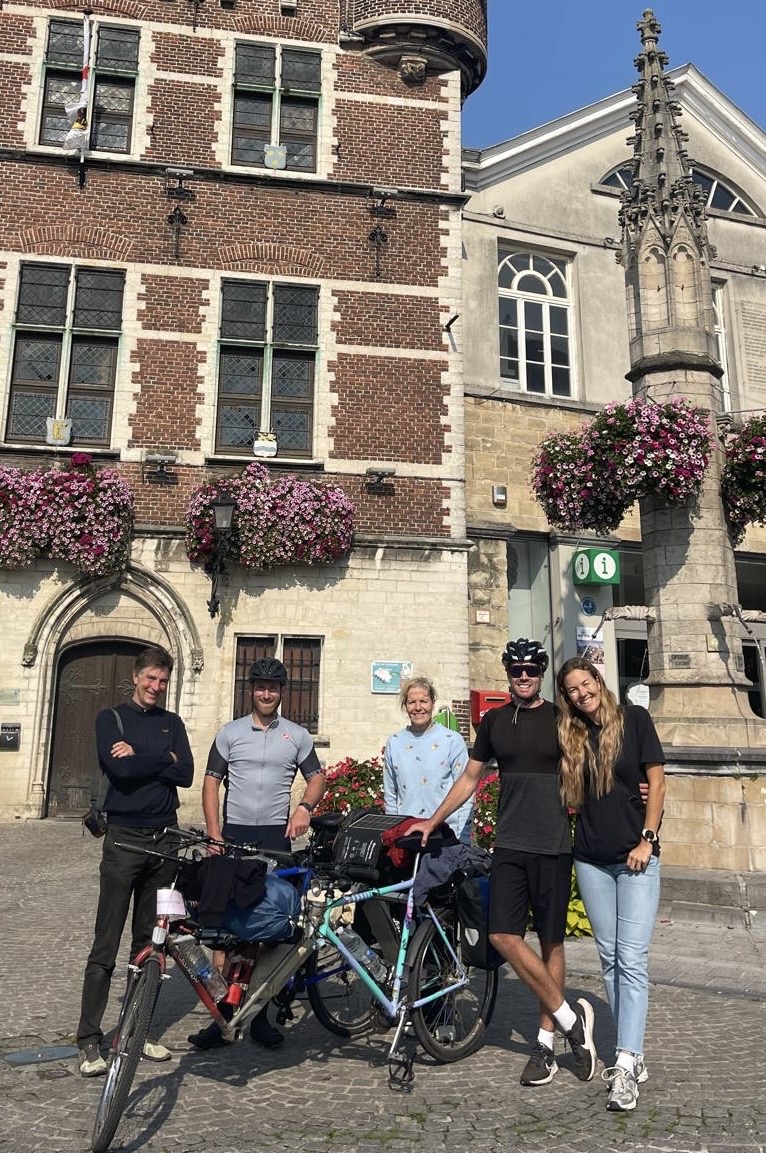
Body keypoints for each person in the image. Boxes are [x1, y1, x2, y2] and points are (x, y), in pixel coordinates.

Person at [410, 638, 596, 1087]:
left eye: (532, 670)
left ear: (541, 673)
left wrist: (641, 794)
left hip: (553, 844)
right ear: (508, 674)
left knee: (552, 942)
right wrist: (432, 821)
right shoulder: (493, 721)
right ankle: (573, 1021)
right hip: (510, 845)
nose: (524, 676)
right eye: (517, 671)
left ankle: (546, 1045)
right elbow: (470, 778)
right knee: (502, 936)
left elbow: (601, 757)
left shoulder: (563, 716)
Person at [189, 656, 326, 1050]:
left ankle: (261, 1014)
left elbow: (317, 778)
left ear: (282, 693)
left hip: (273, 841)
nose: (267, 693)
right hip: (233, 836)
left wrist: (304, 808)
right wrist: (214, 834)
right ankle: (223, 1017)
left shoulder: (296, 736)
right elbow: (212, 783)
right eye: (260, 687)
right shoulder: (229, 733)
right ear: (252, 690)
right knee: (229, 929)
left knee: (270, 928)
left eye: (274, 688)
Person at [77, 645, 194, 1077]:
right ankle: (90, 1039)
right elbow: (119, 772)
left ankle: (137, 1030)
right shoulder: (112, 718)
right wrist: (164, 760)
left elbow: (186, 773)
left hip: (164, 841)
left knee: (149, 945)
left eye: (163, 681)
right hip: (124, 840)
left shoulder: (172, 723)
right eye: (150, 678)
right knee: (106, 942)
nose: (156, 686)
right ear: (136, 676)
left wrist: (150, 758)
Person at [557, 656, 666, 1113]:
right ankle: (631, 1051)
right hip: (592, 859)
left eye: (586, 684)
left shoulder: (635, 720)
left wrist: (648, 838)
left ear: (599, 681)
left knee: (632, 958)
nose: (583, 694)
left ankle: (625, 1062)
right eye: (573, 692)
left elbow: (657, 783)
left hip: (635, 857)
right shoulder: (572, 737)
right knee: (608, 958)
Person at [384, 676, 473, 843]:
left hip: (444, 834)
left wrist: (464, 839)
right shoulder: (394, 743)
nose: (418, 708)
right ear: (405, 706)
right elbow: (390, 794)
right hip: (407, 835)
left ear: (432, 702)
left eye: (423, 701)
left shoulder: (452, 740)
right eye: (412, 702)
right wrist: (393, 834)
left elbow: (466, 791)